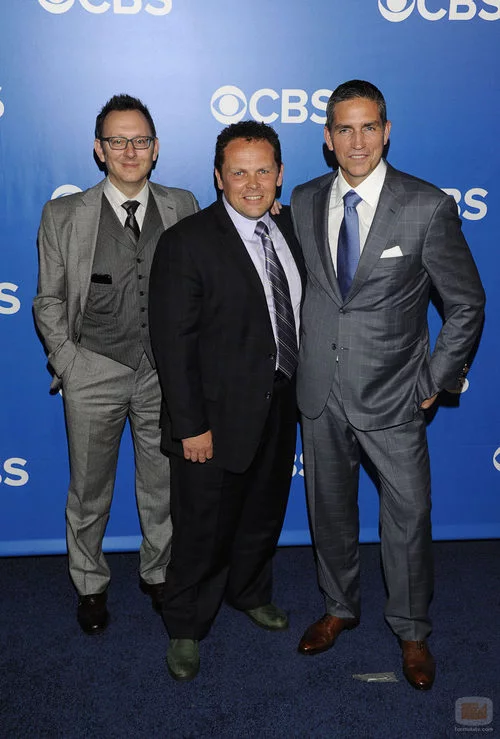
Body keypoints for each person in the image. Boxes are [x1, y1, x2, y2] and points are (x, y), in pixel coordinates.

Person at [291, 80, 485, 690]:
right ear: (327, 137)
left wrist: (436, 378)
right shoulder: (302, 198)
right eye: (344, 129)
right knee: (328, 511)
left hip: (396, 394)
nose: (357, 141)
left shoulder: (426, 206)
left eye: (369, 127)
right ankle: (338, 607)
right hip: (319, 391)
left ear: (387, 131)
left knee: (408, 518)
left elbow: (467, 303)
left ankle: (412, 630)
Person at [33, 94, 198, 634]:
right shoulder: (63, 215)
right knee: (89, 490)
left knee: (161, 485)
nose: (130, 150)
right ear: (99, 149)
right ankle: (89, 583)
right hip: (92, 370)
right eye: (118, 140)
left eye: (140, 140)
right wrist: (69, 362)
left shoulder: (183, 204)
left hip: (162, 373)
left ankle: (158, 572)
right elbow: (49, 300)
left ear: (156, 148)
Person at [149, 120, 305, 681]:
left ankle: (250, 591)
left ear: (280, 174)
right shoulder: (186, 242)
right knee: (202, 529)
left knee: (263, 511)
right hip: (211, 419)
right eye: (239, 172)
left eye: (263, 171)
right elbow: (173, 344)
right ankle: (185, 625)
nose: (252, 184)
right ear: (218, 176)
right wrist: (190, 425)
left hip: (280, 401)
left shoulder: (290, 229)